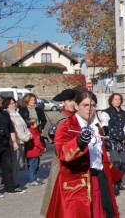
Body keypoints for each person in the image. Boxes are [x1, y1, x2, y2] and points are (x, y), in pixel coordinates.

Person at [46, 91, 122, 218]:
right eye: (85, 105)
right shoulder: (66, 126)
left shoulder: (97, 126)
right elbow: (62, 153)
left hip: (99, 179)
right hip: (76, 184)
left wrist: (114, 174)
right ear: (76, 106)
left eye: (93, 105)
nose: (90, 109)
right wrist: (79, 142)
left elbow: (100, 157)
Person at [40, 88, 77, 216]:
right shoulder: (57, 117)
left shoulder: (80, 116)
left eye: (74, 100)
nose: (72, 103)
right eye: (69, 101)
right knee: (57, 190)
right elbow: (46, 135)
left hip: (79, 157)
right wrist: (52, 134)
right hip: (61, 159)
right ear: (64, 102)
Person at [0, 93, 26, 198]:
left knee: (8, 167)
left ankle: (10, 187)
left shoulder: (5, 114)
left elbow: (11, 128)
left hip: (5, 144)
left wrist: (14, 142)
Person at [99, 93, 125, 196]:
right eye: (115, 99)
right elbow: (104, 123)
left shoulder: (124, 113)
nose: (117, 101)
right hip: (111, 139)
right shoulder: (106, 112)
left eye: (119, 99)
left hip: (122, 140)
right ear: (111, 101)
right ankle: (115, 184)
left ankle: (118, 181)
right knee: (116, 162)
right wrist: (105, 129)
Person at [2, 97, 32, 189]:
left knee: (18, 163)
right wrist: (26, 137)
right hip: (14, 142)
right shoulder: (8, 114)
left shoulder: (17, 113)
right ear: (7, 105)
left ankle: (15, 181)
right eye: (11, 103)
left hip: (22, 141)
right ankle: (14, 183)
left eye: (14, 102)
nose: (14, 104)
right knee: (15, 163)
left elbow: (24, 127)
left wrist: (28, 134)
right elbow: (15, 129)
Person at [25, 118, 45, 186]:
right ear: (32, 125)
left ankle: (35, 177)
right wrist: (42, 148)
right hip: (33, 152)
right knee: (33, 166)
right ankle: (32, 180)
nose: (38, 124)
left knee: (35, 166)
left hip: (32, 152)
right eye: (36, 123)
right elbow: (37, 142)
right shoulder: (33, 132)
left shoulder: (32, 130)